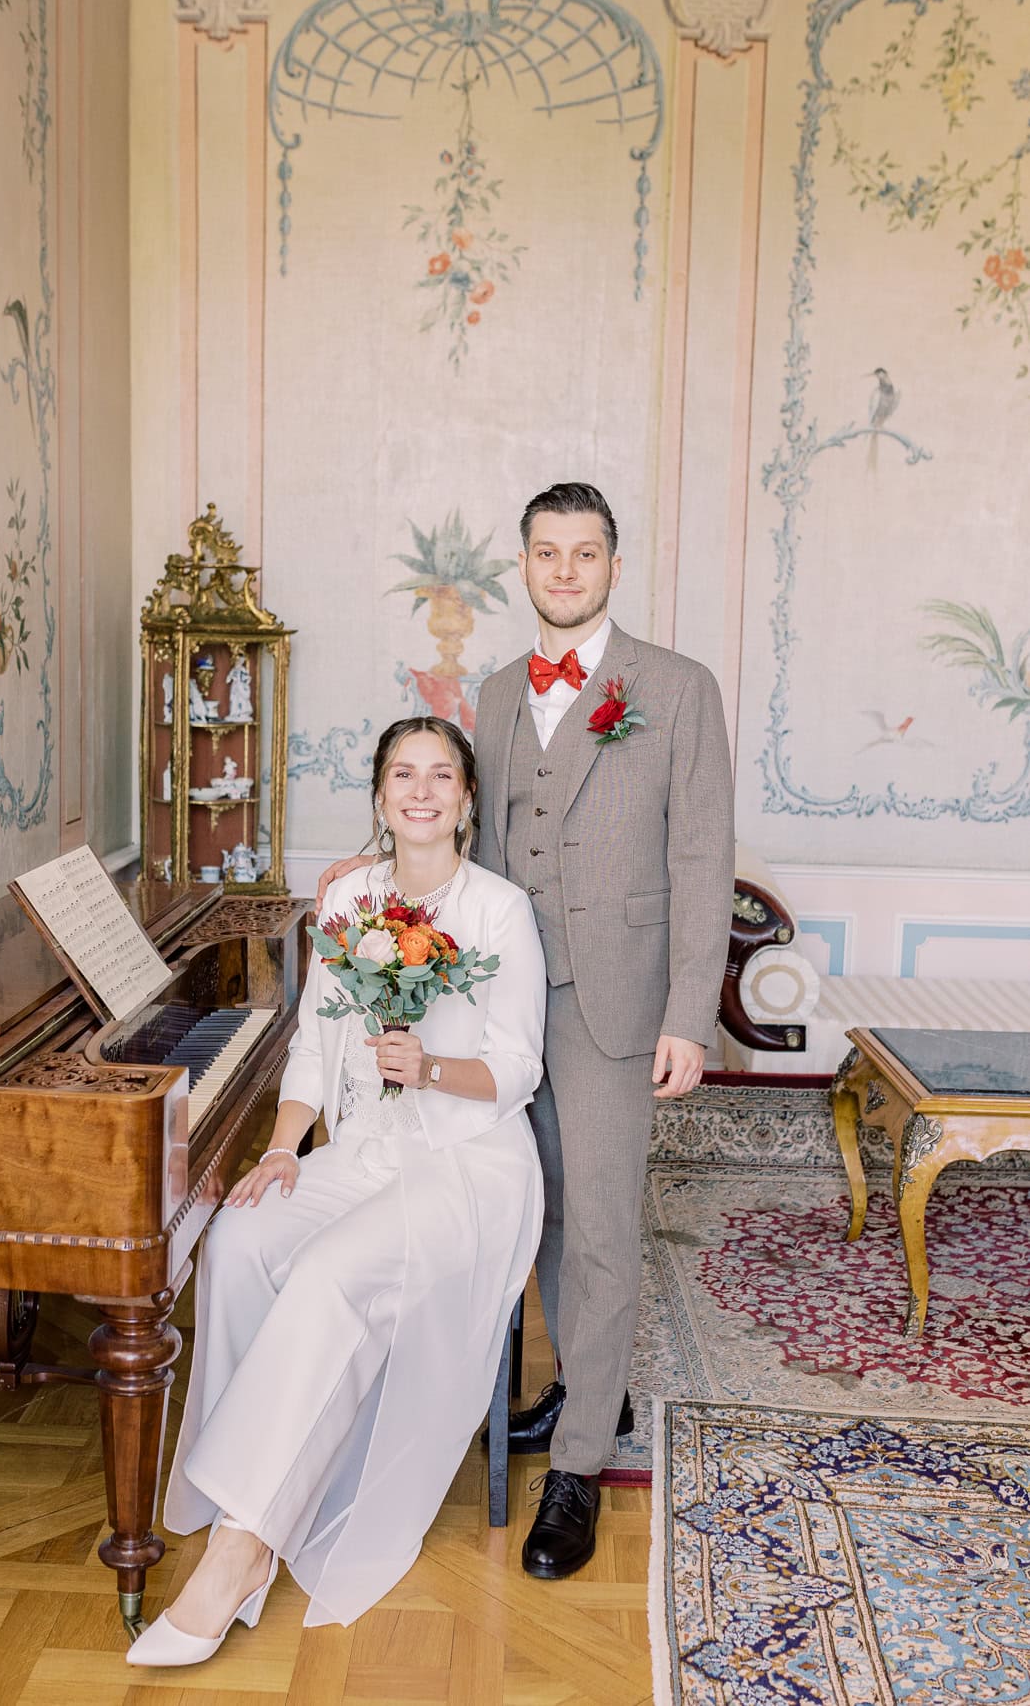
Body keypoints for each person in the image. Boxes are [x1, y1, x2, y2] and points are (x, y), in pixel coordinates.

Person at [318, 483, 733, 1583]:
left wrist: (689, 1016)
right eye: (546, 553)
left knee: (601, 1227)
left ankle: (581, 1466)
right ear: (524, 563)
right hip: (498, 1006)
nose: (563, 571)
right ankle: (587, 1387)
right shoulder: (495, 694)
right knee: (536, 1207)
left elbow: (701, 863)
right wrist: (357, 876)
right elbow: (442, 832)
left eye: (584, 553)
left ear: (611, 564)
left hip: (614, 1006)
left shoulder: (679, 690)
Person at [128, 716, 546, 1667]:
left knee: (325, 1275)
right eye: (405, 772)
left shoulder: (499, 911)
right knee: (239, 1241)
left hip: (470, 1163)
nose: (423, 789)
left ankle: (243, 1551)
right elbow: (316, 1040)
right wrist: (282, 1147)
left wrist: (429, 1067)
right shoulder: (353, 897)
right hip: (362, 1149)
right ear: (379, 794)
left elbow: (516, 1069)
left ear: (469, 799)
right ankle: (232, 1478)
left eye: (443, 774)